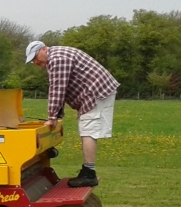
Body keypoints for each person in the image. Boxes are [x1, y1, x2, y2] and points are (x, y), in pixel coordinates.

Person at [25, 40, 119, 187]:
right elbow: (63, 88)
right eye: (33, 61)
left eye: (36, 57)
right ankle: (88, 171)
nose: (36, 62)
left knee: (88, 130)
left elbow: (57, 89)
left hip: (96, 92)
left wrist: (52, 117)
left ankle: (89, 174)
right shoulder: (57, 55)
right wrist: (57, 115)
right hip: (95, 92)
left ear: (44, 49)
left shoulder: (57, 59)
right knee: (87, 128)